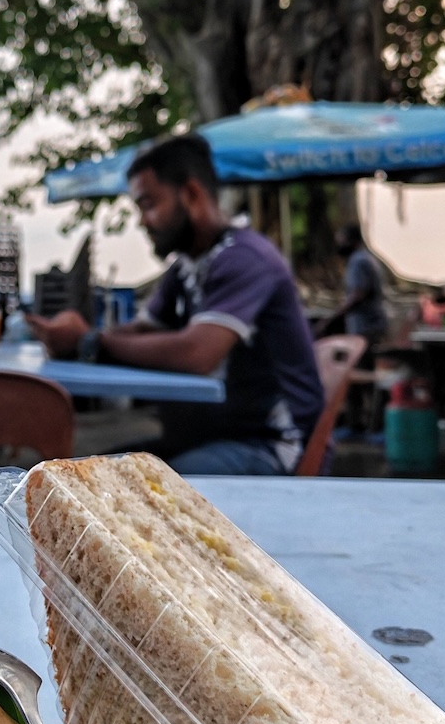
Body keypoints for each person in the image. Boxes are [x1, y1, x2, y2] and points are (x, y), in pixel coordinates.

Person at [26, 134, 325, 475]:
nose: (142, 221)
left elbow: (197, 353)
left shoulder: (246, 258)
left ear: (193, 194)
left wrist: (89, 343)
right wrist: (78, 338)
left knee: (116, 496)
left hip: (266, 446)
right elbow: (139, 330)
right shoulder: (186, 267)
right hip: (205, 440)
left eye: (149, 204)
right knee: (77, 479)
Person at [314, 222, 388, 433]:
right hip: (370, 326)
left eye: (342, 241)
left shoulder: (358, 262)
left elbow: (358, 294)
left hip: (365, 328)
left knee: (357, 375)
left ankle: (362, 425)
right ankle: (365, 422)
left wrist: (331, 319)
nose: (339, 245)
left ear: (352, 241)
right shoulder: (367, 259)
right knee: (363, 374)